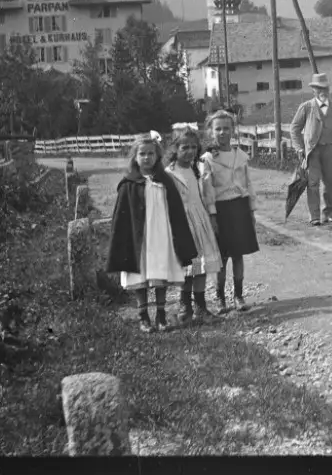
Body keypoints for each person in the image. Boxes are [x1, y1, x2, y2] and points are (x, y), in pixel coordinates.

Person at [106, 135, 198, 333]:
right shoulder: (129, 184)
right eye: (142, 154)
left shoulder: (166, 181)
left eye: (151, 153)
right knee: (140, 274)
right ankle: (143, 316)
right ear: (135, 157)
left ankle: (161, 315)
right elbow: (122, 218)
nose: (146, 157)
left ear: (157, 156)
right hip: (139, 237)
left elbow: (176, 211)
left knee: (160, 272)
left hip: (161, 234)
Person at [164, 128, 222, 325]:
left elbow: (207, 194)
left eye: (193, 147)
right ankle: (184, 305)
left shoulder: (198, 168)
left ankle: (200, 305)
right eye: (184, 147)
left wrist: (212, 216)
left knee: (202, 265)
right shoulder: (170, 173)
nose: (189, 151)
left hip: (200, 219)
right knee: (188, 266)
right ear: (175, 148)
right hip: (182, 222)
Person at [205, 109, 258, 312]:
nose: (222, 133)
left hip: (239, 207)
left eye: (226, 128)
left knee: (238, 254)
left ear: (233, 131)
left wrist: (251, 211)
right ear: (211, 131)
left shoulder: (240, 156)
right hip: (221, 209)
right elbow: (207, 190)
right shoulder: (208, 159)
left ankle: (238, 296)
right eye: (218, 129)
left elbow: (248, 184)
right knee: (222, 257)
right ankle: (220, 298)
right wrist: (212, 215)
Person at [290, 73, 332, 226]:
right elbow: (294, 129)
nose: (322, 91)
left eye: (325, 88)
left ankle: (327, 214)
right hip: (313, 151)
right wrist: (299, 149)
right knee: (313, 182)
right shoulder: (306, 107)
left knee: (329, 183)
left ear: (328, 89)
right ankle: (314, 216)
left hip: (330, 150)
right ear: (313, 90)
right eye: (318, 88)